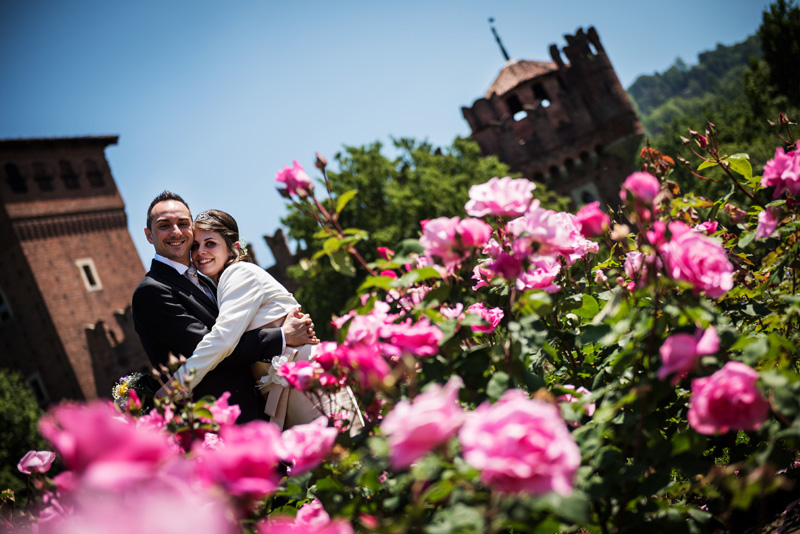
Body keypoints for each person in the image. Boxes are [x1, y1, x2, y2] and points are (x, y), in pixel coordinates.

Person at [170, 209, 363, 431]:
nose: (200, 252)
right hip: (289, 387)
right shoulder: (223, 285)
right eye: (195, 246)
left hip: (306, 381)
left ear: (234, 248)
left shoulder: (239, 273)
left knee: (343, 443)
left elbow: (222, 340)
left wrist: (176, 386)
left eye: (210, 243)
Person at [131, 191, 316, 424]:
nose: (176, 231)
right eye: (164, 225)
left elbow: (225, 338)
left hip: (273, 397)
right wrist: (281, 335)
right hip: (222, 417)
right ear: (149, 235)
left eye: (183, 224)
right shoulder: (152, 291)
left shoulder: (214, 279)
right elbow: (217, 345)